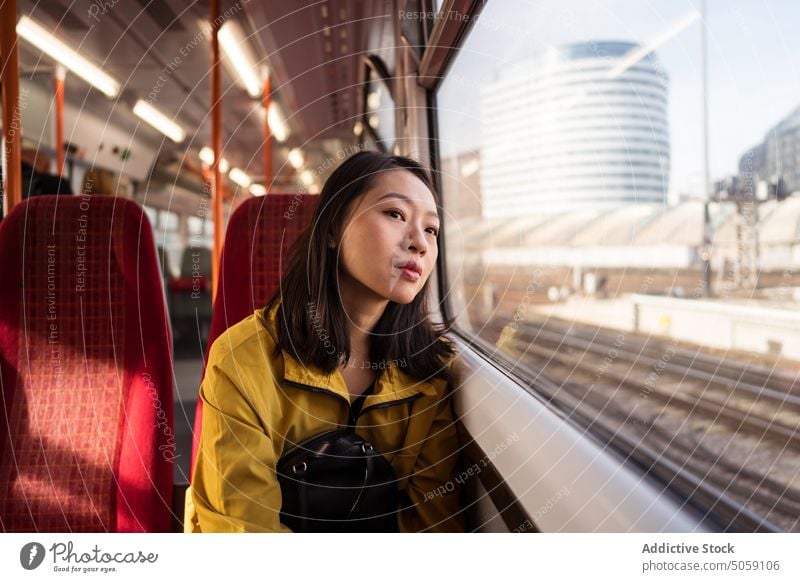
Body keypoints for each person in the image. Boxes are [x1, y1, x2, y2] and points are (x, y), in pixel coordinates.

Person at [184, 151, 466, 532]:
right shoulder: (242, 359)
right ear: (333, 228)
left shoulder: (431, 371)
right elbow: (244, 532)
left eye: (431, 230)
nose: (419, 243)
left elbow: (432, 527)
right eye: (395, 214)